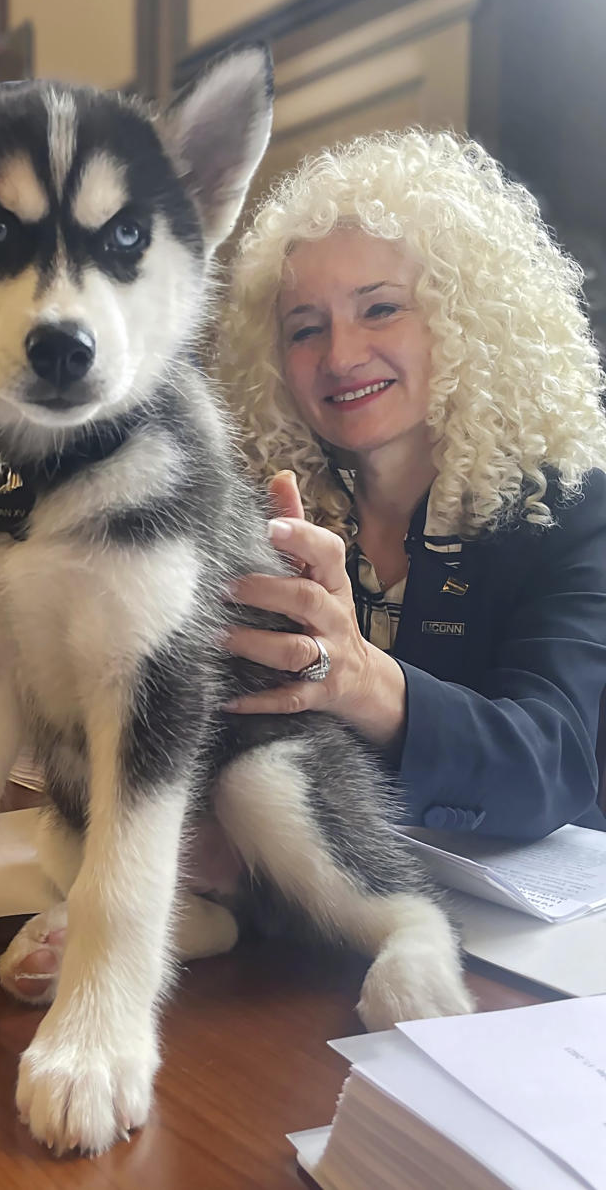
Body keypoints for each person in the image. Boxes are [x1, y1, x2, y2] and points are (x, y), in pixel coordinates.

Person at [218, 129, 606, 840]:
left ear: (466, 321)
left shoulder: (578, 508)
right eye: (305, 329)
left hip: (537, 939)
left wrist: (362, 676)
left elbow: (553, 762)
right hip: (321, 908)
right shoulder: (263, 512)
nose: (340, 355)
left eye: (380, 308)